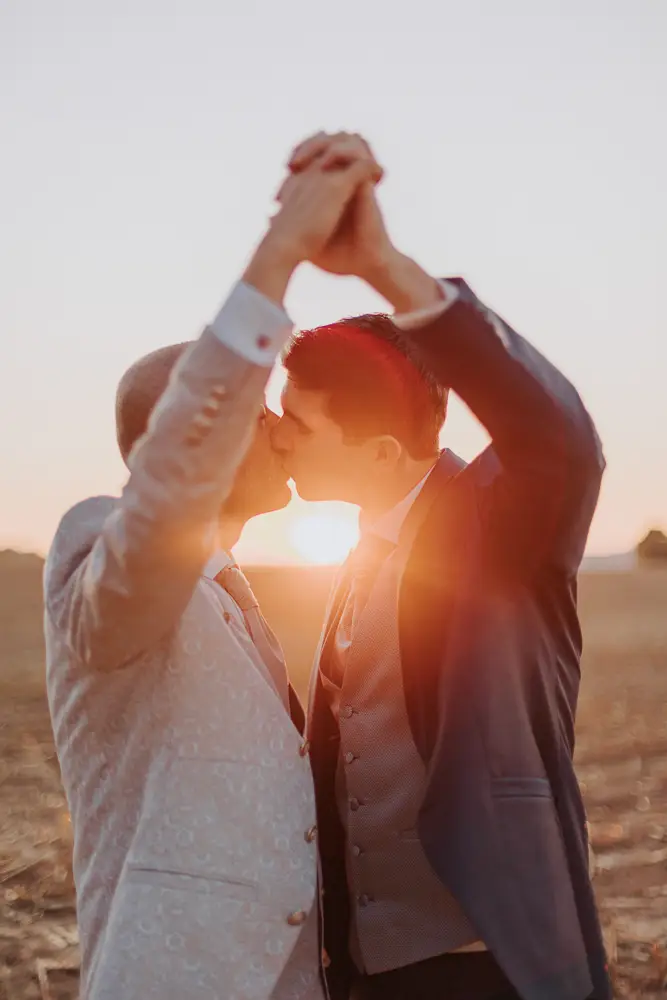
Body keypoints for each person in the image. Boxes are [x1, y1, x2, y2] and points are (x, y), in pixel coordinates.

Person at [273, 132, 611, 1000]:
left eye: (298, 424)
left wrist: (384, 267)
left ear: (381, 448)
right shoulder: (356, 550)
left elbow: (559, 440)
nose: (275, 438)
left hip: (487, 957)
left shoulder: (498, 526)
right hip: (366, 966)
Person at [43, 144, 381, 1000]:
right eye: (252, 412)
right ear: (187, 438)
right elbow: (164, 500)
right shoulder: (103, 551)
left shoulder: (230, 591)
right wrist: (280, 256)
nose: (277, 430)